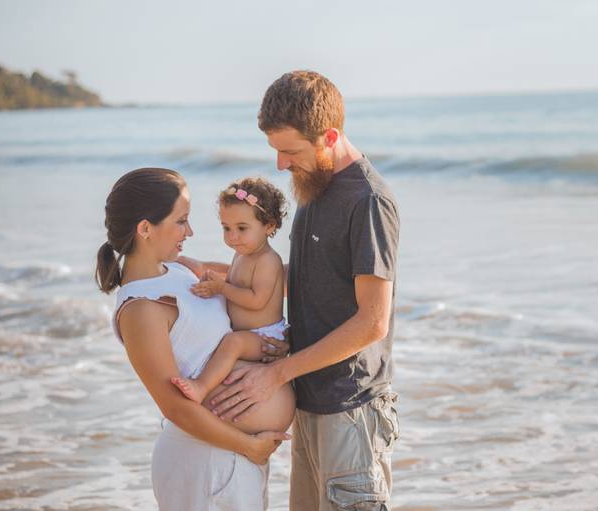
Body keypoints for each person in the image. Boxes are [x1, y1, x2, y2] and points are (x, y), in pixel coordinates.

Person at [209, 71, 401, 510]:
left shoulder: (368, 201)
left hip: (350, 411)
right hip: (309, 399)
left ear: (329, 136)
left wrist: (275, 374)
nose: (280, 164)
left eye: (290, 151)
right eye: (275, 150)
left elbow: (373, 321)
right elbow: (311, 278)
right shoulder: (314, 185)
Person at [96, 167, 292, 510]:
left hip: (230, 459)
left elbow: (258, 282)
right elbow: (174, 406)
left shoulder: (181, 269)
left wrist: (274, 343)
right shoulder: (141, 308)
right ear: (145, 229)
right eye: (181, 221)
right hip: (207, 461)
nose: (190, 231)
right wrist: (248, 447)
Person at [172, 178, 293, 415]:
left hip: (265, 336)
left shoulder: (268, 261)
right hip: (249, 333)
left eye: (241, 228)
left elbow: (257, 300)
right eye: (226, 228)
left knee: (233, 343)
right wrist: (205, 275)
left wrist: (221, 289)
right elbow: (233, 280)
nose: (232, 237)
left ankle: (201, 386)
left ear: (268, 226)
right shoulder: (242, 255)